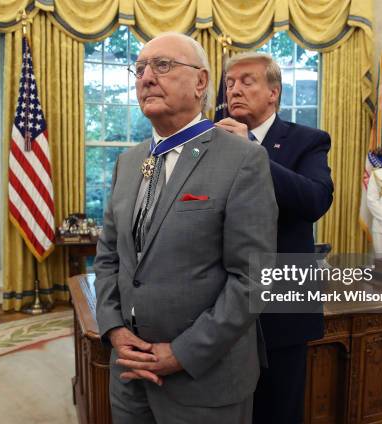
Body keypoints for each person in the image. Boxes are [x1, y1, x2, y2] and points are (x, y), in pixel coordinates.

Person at [93, 33, 278, 424]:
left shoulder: (244, 160)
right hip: (129, 375)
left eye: (162, 65)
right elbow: (110, 256)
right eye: (140, 68)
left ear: (201, 82)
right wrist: (113, 329)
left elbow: (253, 279)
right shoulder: (127, 162)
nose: (145, 77)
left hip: (204, 382)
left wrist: (182, 353)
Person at [216, 52, 333, 424]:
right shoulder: (211, 139)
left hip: (282, 298)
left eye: (247, 81)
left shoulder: (307, 140)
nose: (234, 89)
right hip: (219, 300)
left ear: (274, 93)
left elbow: (315, 200)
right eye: (230, 82)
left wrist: (252, 152)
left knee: (279, 408)